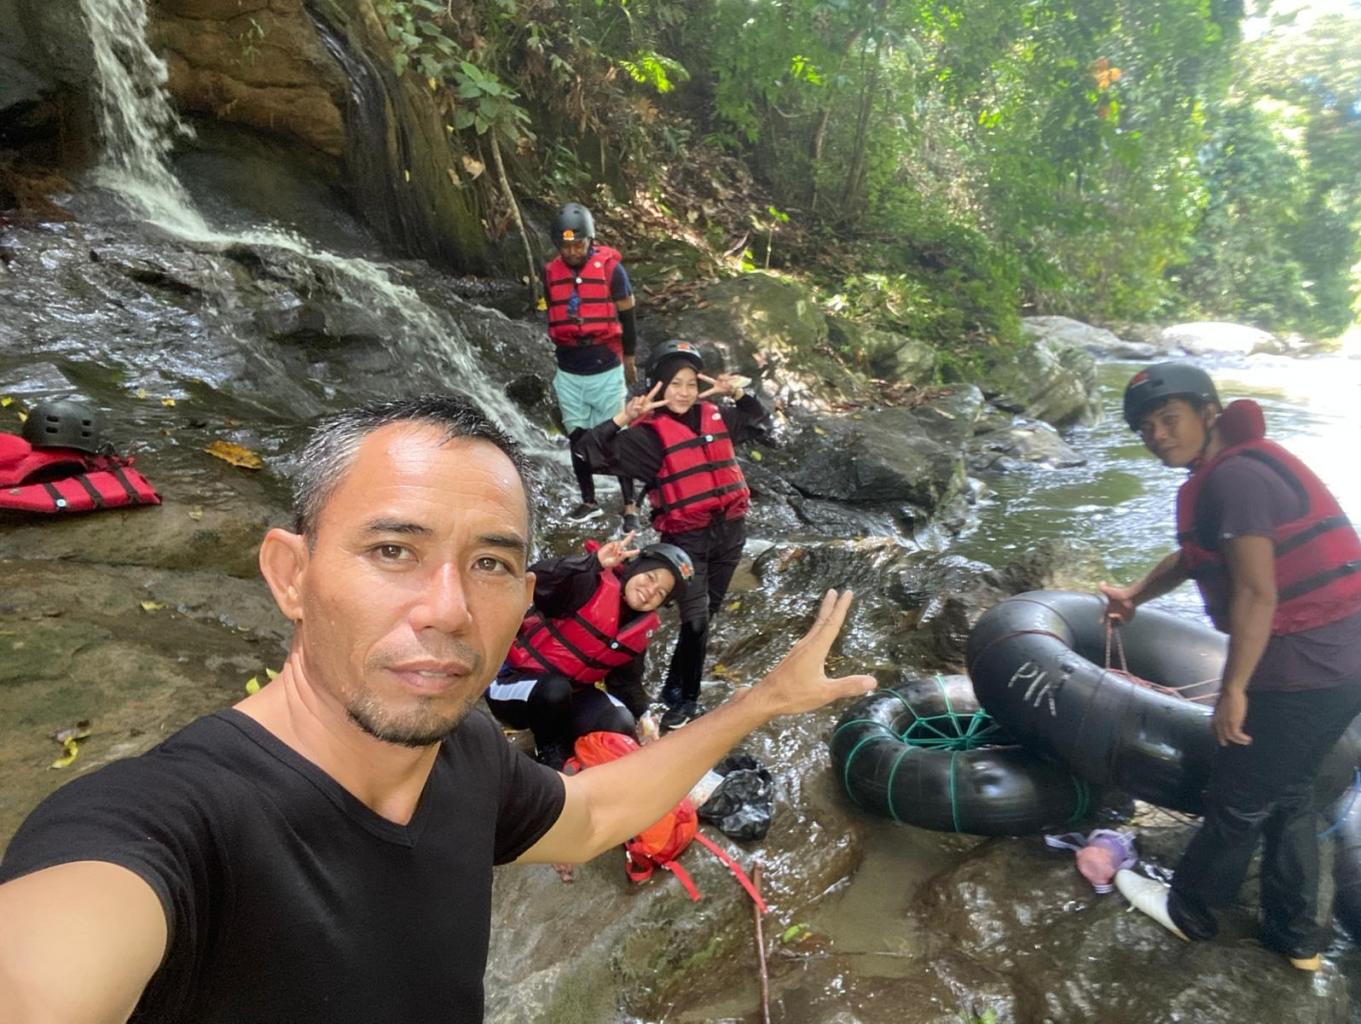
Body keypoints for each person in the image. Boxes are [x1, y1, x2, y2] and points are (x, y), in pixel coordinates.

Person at [0, 393, 875, 1023]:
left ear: (521, 595)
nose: (448, 610)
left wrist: (761, 702)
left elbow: (592, 815)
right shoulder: (160, 827)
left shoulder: (466, 754)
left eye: (489, 564)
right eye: (393, 550)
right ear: (291, 574)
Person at [1100, 362, 1361, 971]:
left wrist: (1234, 688)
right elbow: (1196, 555)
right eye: (1146, 428)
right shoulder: (1229, 471)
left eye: (1170, 419)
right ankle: (1296, 936)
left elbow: (1255, 593)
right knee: (1289, 790)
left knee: (1238, 797)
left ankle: (1190, 911)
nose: (1158, 435)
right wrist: (1135, 595)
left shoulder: (1236, 479)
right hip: (1341, 659)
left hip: (1306, 665)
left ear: (1209, 413)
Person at [576, 339, 769, 732]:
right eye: (675, 384)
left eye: (691, 384)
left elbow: (763, 424)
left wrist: (739, 394)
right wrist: (623, 417)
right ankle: (684, 704)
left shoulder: (718, 416)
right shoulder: (646, 437)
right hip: (686, 540)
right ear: (658, 387)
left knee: (706, 616)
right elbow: (585, 453)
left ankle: (673, 693)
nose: (684, 392)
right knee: (695, 619)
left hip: (731, 533)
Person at [486, 534, 694, 769]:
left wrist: (645, 717)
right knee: (555, 690)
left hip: (567, 696)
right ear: (636, 569)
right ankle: (549, 752)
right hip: (511, 683)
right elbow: (537, 578)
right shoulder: (586, 583)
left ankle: (579, 757)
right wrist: (592, 562)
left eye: (661, 593)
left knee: (620, 720)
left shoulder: (636, 631)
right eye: (650, 577)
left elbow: (626, 684)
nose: (651, 590)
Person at [543, 201, 640, 530]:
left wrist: (630, 357)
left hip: (605, 366)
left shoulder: (612, 271)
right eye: (566, 246)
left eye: (579, 244)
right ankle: (589, 501)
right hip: (569, 369)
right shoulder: (550, 273)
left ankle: (630, 506)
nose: (572, 251)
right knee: (578, 437)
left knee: (617, 435)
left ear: (590, 240)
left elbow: (628, 316)